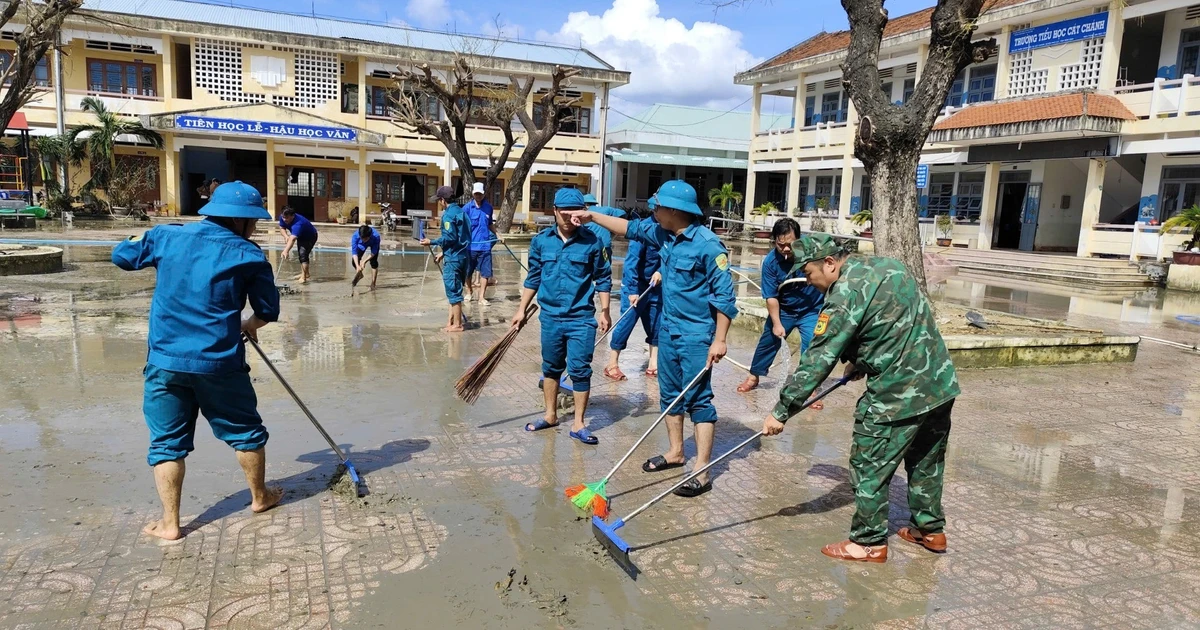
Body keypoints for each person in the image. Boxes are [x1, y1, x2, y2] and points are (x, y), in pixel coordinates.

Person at [761, 234, 960, 563]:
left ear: (829, 263)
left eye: (809, 274)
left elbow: (817, 361)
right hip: (939, 383)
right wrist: (864, 360)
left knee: (868, 464)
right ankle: (930, 531)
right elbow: (894, 322)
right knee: (926, 460)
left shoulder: (843, 296)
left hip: (898, 394)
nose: (809, 283)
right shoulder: (888, 266)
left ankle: (868, 542)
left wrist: (781, 411)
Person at [111, 181, 283, 541]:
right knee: (246, 433)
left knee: (166, 444)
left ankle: (170, 523)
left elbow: (121, 256)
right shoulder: (249, 255)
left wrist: (138, 237)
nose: (253, 228)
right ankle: (259, 497)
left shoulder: (166, 237)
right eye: (252, 221)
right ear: (241, 222)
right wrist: (250, 324)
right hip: (220, 365)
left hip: (165, 363)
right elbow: (267, 310)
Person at [565, 180, 736, 497]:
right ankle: (675, 452)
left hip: (696, 335)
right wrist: (592, 217)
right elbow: (627, 228)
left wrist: (720, 339)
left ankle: (702, 470)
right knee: (670, 394)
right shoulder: (662, 233)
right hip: (668, 330)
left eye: (658, 207)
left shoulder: (709, 246)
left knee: (698, 400)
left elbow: (724, 297)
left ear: (674, 210)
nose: (653, 211)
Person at [513, 187, 612, 445]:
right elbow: (533, 277)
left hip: (581, 319)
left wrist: (604, 311)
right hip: (551, 318)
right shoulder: (541, 241)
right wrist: (521, 309)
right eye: (563, 213)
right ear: (554, 211)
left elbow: (602, 278)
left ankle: (579, 423)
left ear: (582, 213)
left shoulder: (593, 241)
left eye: (574, 213)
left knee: (580, 370)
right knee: (551, 368)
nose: (568, 219)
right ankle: (550, 415)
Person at [737, 218, 825, 399]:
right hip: (784, 308)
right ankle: (754, 375)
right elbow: (771, 297)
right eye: (780, 244)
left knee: (812, 344)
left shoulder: (814, 252)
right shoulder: (770, 263)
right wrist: (777, 324)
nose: (786, 249)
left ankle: (809, 386)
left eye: (791, 245)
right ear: (774, 241)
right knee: (769, 339)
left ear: (799, 240)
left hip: (811, 307)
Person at [604, 205, 662, 381]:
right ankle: (612, 363)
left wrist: (661, 271)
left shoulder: (669, 231)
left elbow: (671, 258)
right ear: (655, 210)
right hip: (636, 286)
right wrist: (632, 290)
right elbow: (631, 262)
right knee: (626, 323)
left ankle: (653, 363)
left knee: (656, 324)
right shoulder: (643, 230)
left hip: (655, 287)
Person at [420, 185, 473, 332]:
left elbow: (450, 237)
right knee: (454, 291)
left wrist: (431, 242)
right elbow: (462, 238)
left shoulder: (449, 215)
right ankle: (450, 321)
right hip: (463, 257)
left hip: (454, 260)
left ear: (443, 200)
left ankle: (457, 324)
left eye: (439, 200)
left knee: (453, 292)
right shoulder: (462, 213)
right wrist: (443, 253)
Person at [463, 182, 497, 305]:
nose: (478, 196)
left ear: (483, 194)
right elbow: (461, 225)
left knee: (486, 272)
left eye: (480, 194)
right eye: (476, 194)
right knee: (468, 271)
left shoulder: (488, 207)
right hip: (471, 246)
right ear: (473, 194)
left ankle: (481, 297)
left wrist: (498, 234)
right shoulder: (467, 208)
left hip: (485, 246)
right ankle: (469, 291)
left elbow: (490, 224)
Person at [278, 207, 318, 284]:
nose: (284, 219)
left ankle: (304, 277)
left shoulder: (298, 223)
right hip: (300, 236)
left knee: (303, 255)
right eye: (283, 217)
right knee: (302, 254)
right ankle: (307, 274)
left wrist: (286, 251)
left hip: (310, 237)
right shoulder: (282, 217)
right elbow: (282, 227)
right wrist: (286, 236)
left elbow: (293, 239)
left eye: (287, 218)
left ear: (292, 216)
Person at [350, 223, 381, 290]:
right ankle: (359, 274)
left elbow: (373, 252)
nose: (364, 240)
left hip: (373, 244)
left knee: (374, 262)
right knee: (354, 262)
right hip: (361, 245)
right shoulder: (355, 236)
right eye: (362, 238)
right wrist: (357, 266)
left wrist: (364, 261)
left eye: (365, 239)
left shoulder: (376, 236)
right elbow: (354, 252)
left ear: (369, 236)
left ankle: (373, 283)